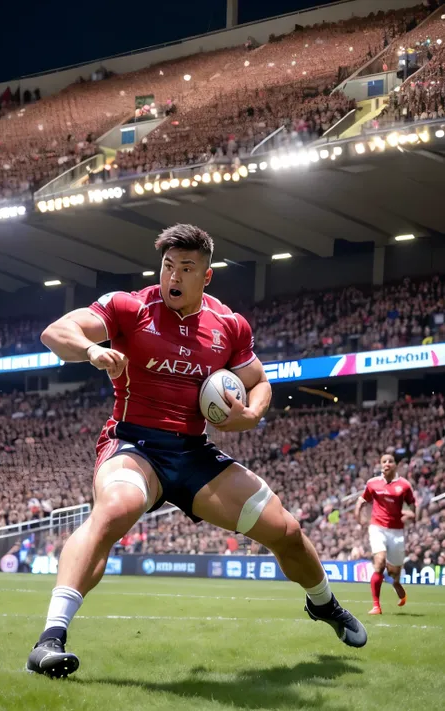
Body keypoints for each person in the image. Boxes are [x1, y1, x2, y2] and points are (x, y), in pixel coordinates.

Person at [26, 224, 367, 678]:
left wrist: (252, 414)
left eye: (187, 268)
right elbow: (56, 331)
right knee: (115, 509)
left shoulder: (228, 325)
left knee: (284, 530)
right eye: (169, 265)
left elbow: (259, 382)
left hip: (192, 452)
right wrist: (92, 350)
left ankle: (324, 604)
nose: (174, 275)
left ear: (205, 277)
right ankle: (50, 639)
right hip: (133, 441)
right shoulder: (130, 306)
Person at [355, 453, 416, 615]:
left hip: (396, 530)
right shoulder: (373, 483)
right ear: (380, 465)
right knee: (380, 562)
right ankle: (376, 606)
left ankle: (395, 582)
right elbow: (362, 500)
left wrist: (411, 516)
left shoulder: (404, 485)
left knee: (394, 571)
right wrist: (358, 516)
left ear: (396, 465)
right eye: (384, 461)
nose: (387, 463)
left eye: (390, 461)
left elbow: (412, 506)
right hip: (377, 527)